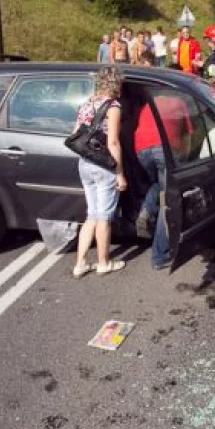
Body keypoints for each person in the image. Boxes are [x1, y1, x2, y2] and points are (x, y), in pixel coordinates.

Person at [71, 66, 127, 278]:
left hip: (85, 163)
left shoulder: (86, 104)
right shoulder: (113, 107)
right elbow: (113, 141)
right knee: (104, 217)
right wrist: (120, 173)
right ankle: (104, 262)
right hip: (104, 165)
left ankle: (80, 263)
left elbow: (75, 134)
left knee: (91, 214)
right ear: (115, 83)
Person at [134, 91, 195, 270]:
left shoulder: (149, 102)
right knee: (168, 198)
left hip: (141, 150)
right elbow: (188, 136)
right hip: (163, 150)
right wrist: (186, 159)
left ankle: (146, 209)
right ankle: (160, 255)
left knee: (160, 184)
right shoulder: (179, 101)